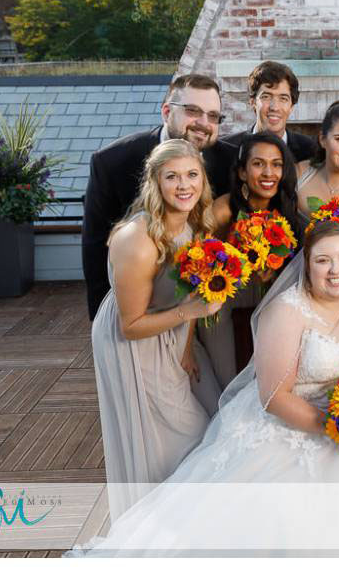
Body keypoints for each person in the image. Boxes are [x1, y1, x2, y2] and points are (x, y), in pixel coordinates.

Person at [71, 220, 339, 556]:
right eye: (322, 261)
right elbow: (274, 397)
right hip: (294, 429)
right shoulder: (286, 311)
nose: (335, 270)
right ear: (306, 265)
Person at [91, 139, 224, 521]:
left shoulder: (196, 224)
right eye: (172, 177)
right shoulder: (137, 240)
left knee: (206, 414)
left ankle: (183, 518)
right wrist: (188, 313)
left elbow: (193, 289)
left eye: (192, 175)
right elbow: (130, 325)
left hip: (171, 330)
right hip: (132, 342)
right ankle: (155, 523)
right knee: (173, 434)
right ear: (155, 182)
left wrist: (186, 348)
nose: (184, 185)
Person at [82, 73, 234, 320]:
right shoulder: (112, 162)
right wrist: (98, 317)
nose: (204, 123)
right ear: (166, 112)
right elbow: (95, 245)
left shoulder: (230, 161)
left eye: (213, 116)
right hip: (136, 312)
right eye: (193, 111)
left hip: (201, 307)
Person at [197, 131, 305, 389]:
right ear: (243, 172)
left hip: (270, 303)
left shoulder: (289, 209)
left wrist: (274, 274)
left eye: (276, 164)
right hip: (222, 305)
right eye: (258, 164)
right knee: (229, 382)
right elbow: (196, 266)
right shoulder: (224, 210)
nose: (268, 173)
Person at [220, 60, 316, 163]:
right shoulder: (226, 149)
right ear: (253, 102)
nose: (274, 107)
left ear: (291, 106)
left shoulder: (311, 150)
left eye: (283, 98)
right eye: (266, 97)